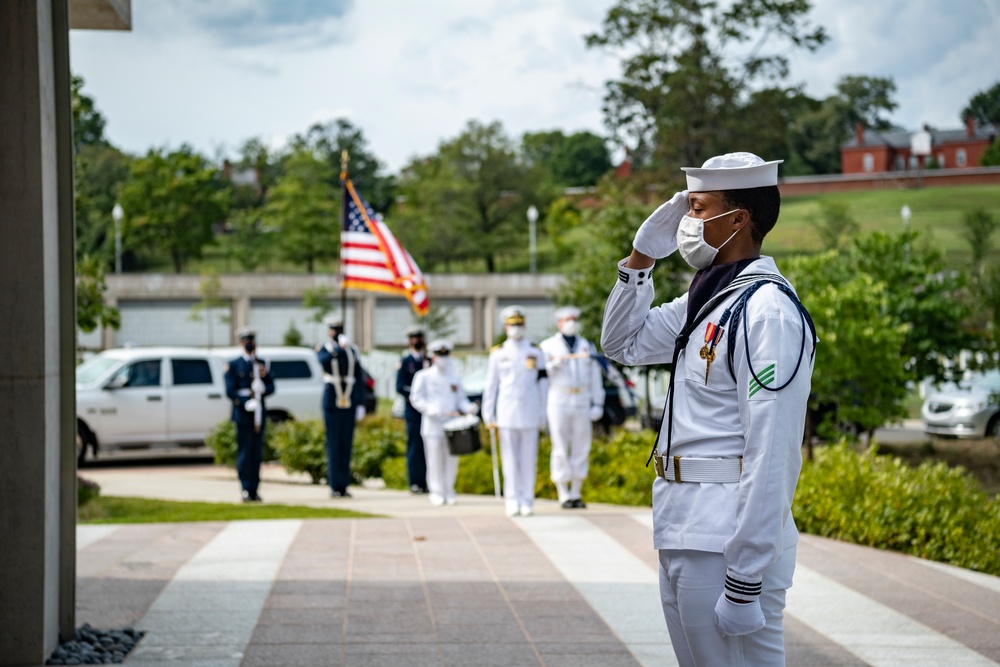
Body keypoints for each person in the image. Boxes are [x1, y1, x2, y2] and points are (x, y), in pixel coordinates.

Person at [600, 152, 817, 667]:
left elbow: (773, 450)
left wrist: (745, 578)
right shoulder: (708, 299)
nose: (685, 223)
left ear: (739, 219)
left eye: (697, 209)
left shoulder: (767, 311)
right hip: (684, 523)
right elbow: (620, 342)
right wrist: (639, 259)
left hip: (725, 538)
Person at [482, 306, 548, 517]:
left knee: (529, 459)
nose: (516, 329)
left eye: (519, 325)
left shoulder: (535, 352)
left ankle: (527, 499)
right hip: (507, 412)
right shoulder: (498, 354)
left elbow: (543, 385)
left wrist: (543, 413)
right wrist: (488, 413)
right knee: (509, 459)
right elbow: (491, 385)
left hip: (530, 410)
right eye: (512, 325)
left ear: (525, 326)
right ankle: (512, 499)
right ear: (505, 327)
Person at [539, 306, 605, 509]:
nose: (572, 323)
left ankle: (576, 491)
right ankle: (563, 492)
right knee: (560, 446)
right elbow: (540, 377)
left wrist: (598, 402)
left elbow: (595, 376)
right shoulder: (548, 346)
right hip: (559, 399)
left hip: (581, 399)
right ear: (559, 323)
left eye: (575, 319)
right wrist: (552, 366)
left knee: (581, 445)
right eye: (568, 319)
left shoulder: (586, 345)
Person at [408, 339, 479, 506]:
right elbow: (415, 398)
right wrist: (430, 409)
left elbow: (460, 399)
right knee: (434, 459)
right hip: (433, 424)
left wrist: (468, 407)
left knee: (451, 459)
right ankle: (437, 491)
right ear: (433, 357)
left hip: (452, 424)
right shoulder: (423, 376)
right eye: (440, 356)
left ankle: (449, 489)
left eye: (446, 355)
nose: (444, 359)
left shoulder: (453, 378)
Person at [317, 317, 367, 498]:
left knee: (346, 445)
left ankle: (344, 485)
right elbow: (323, 362)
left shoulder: (352, 349)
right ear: (329, 332)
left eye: (339, 329)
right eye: (333, 330)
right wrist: (338, 349)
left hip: (350, 401)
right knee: (334, 444)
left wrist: (361, 403)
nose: (336, 333)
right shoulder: (325, 348)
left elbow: (359, 377)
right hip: (333, 402)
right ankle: (334, 485)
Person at [223, 327, 275, 502]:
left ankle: (255, 489)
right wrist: (245, 403)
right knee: (245, 453)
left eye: (251, 340)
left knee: (256, 453)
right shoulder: (234, 364)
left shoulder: (261, 363)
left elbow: (271, 386)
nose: (249, 344)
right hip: (243, 413)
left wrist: (264, 389)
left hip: (259, 412)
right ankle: (246, 488)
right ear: (240, 343)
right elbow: (230, 391)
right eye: (246, 341)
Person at [396, 325, 429, 494]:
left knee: (428, 448)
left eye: (419, 338)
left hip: (429, 412)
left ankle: (426, 481)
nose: (417, 341)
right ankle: (415, 482)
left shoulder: (428, 360)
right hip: (413, 411)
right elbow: (400, 386)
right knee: (415, 448)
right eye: (414, 338)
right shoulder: (405, 361)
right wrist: (416, 395)